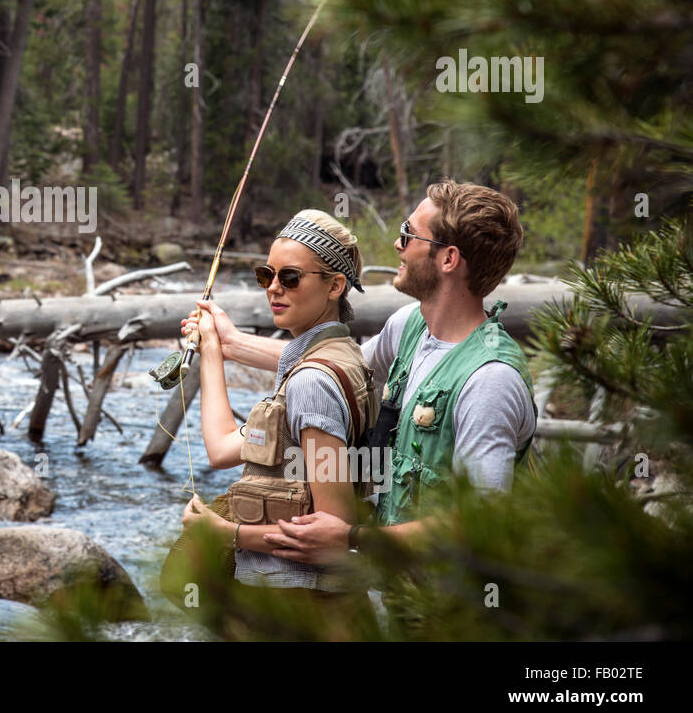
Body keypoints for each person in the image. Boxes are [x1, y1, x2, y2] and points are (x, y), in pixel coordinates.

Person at [184, 180, 537, 566]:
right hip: (401, 599)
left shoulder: (490, 381)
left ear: (449, 259)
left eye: (409, 235)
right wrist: (229, 343)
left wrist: (351, 538)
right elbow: (331, 364)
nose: (397, 245)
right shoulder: (409, 327)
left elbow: (482, 524)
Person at [162, 209, 379, 607]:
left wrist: (224, 533)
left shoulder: (312, 383)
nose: (274, 288)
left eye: (290, 277)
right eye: (267, 275)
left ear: (335, 286)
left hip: (305, 607)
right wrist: (213, 348)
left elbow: (333, 531)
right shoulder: (338, 357)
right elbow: (223, 449)